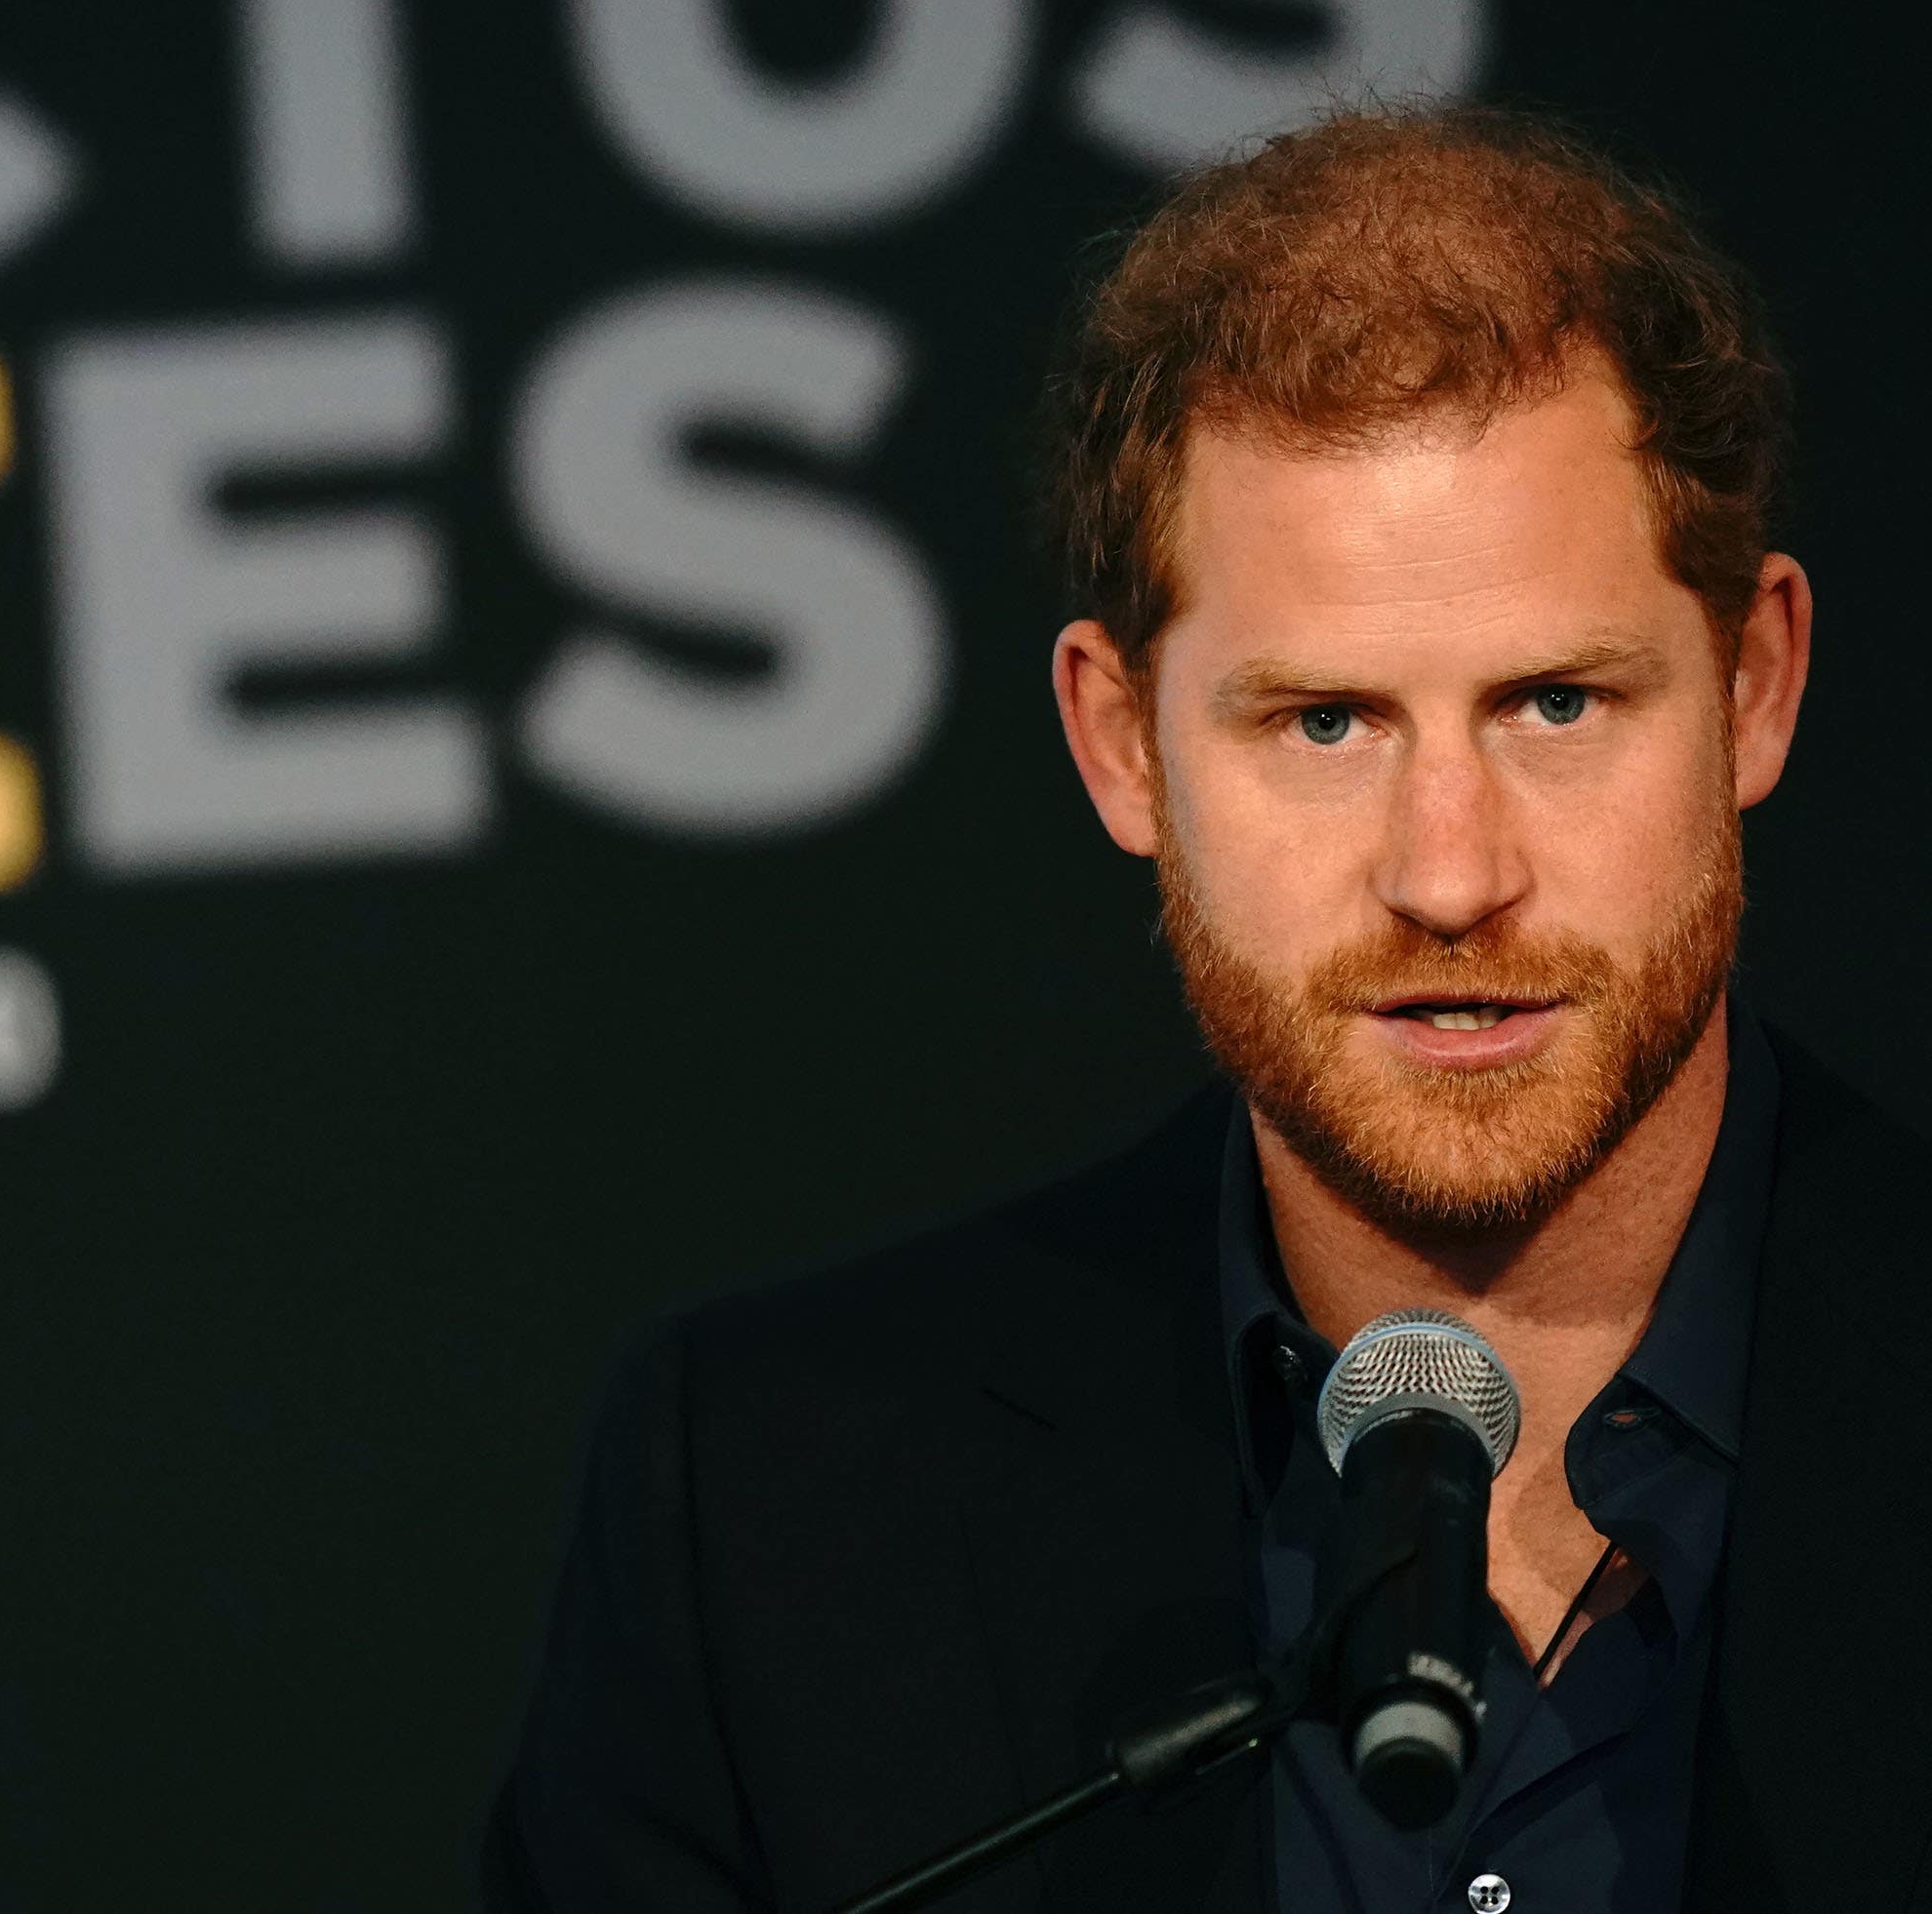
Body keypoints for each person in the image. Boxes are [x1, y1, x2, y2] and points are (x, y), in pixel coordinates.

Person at [482, 107, 1932, 1912]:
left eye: (1555, 704)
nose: (1452, 872)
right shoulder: (775, 1514)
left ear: (1757, 686)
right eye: (1324, 724)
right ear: (1121, 748)